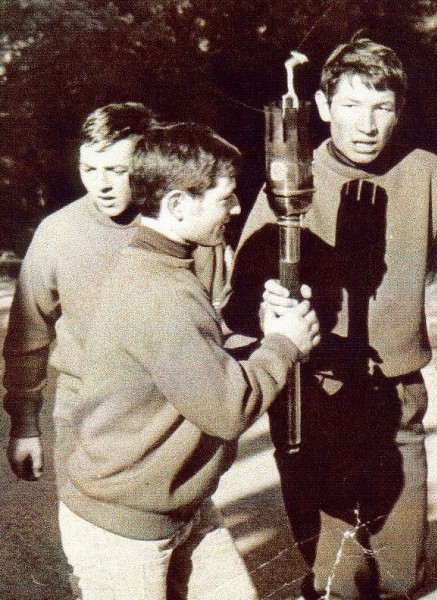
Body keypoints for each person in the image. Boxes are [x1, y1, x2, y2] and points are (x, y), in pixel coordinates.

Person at [222, 37, 437, 599]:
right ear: (323, 108)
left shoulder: (426, 175)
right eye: (351, 105)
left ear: (399, 110)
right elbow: (240, 299)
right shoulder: (288, 178)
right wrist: (267, 310)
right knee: (335, 580)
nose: (367, 123)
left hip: (395, 398)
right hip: (310, 397)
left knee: (400, 577)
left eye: (382, 106)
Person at [56, 122, 320, 600]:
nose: (238, 209)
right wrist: (283, 346)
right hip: (126, 523)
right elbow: (226, 408)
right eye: (226, 198)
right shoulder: (160, 291)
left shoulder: (164, 267)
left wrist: (262, 337)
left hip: (180, 505)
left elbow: (192, 367)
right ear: (178, 204)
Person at [2, 102, 160, 483]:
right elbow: (28, 337)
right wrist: (24, 425)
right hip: (89, 423)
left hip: (171, 425)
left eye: (117, 171)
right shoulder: (58, 233)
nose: (101, 185)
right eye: (89, 170)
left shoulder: (180, 223)